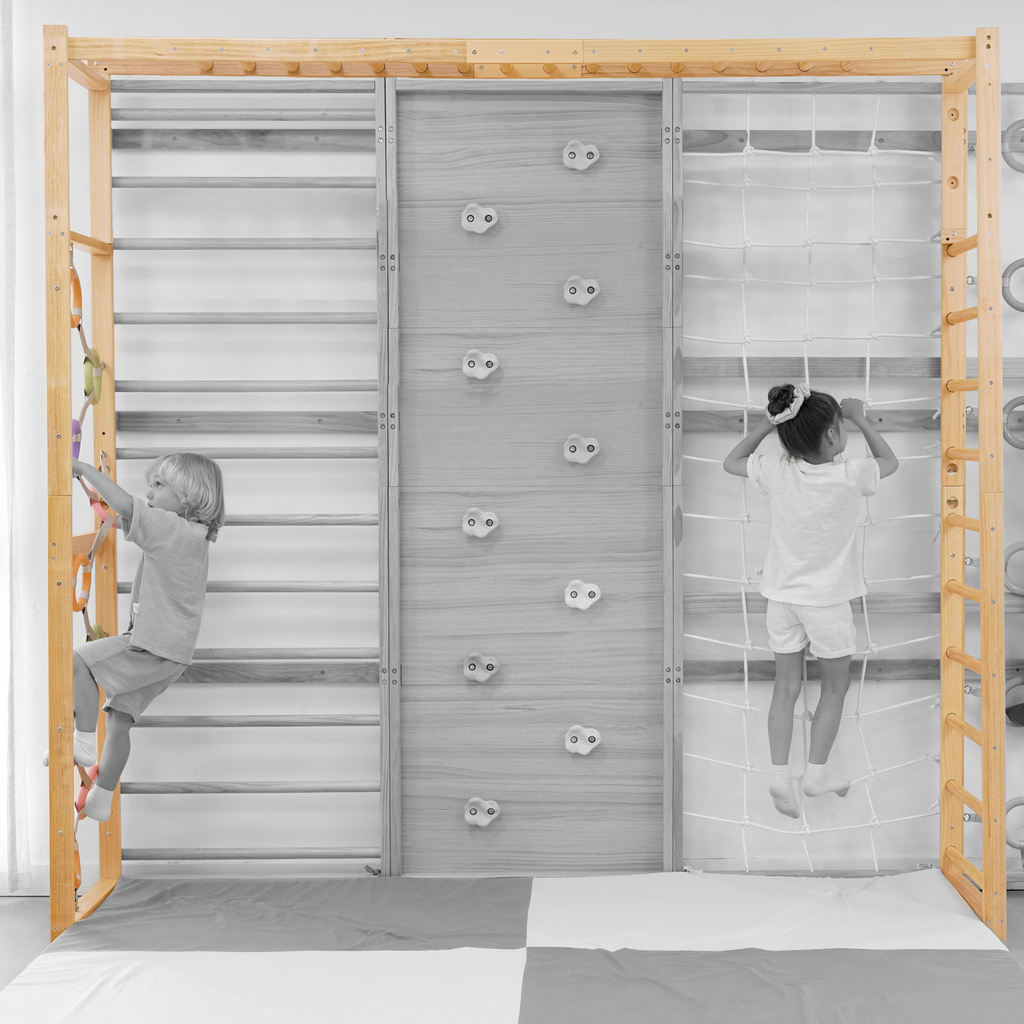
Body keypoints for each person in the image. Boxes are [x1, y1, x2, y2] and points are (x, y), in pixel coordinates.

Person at [723, 384, 898, 818]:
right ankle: (815, 775)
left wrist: (767, 425)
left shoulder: (779, 471)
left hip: (781, 599)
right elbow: (890, 462)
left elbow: (731, 462)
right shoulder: (850, 473)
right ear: (836, 436)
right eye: (842, 428)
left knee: (785, 688)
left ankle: (779, 777)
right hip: (827, 602)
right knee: (835, 687)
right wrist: (860, 417)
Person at [69, 452, 225, 821]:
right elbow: (126, 509)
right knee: (120, 720)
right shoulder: (194, 535)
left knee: (78, 660)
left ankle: (83, 742)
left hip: (153, 644)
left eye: (159, 485)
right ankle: (103, 796)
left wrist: (83, 469)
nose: (150, 493)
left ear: (187, 496)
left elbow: (125, 505)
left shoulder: (171, 528)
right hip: (173, 653)